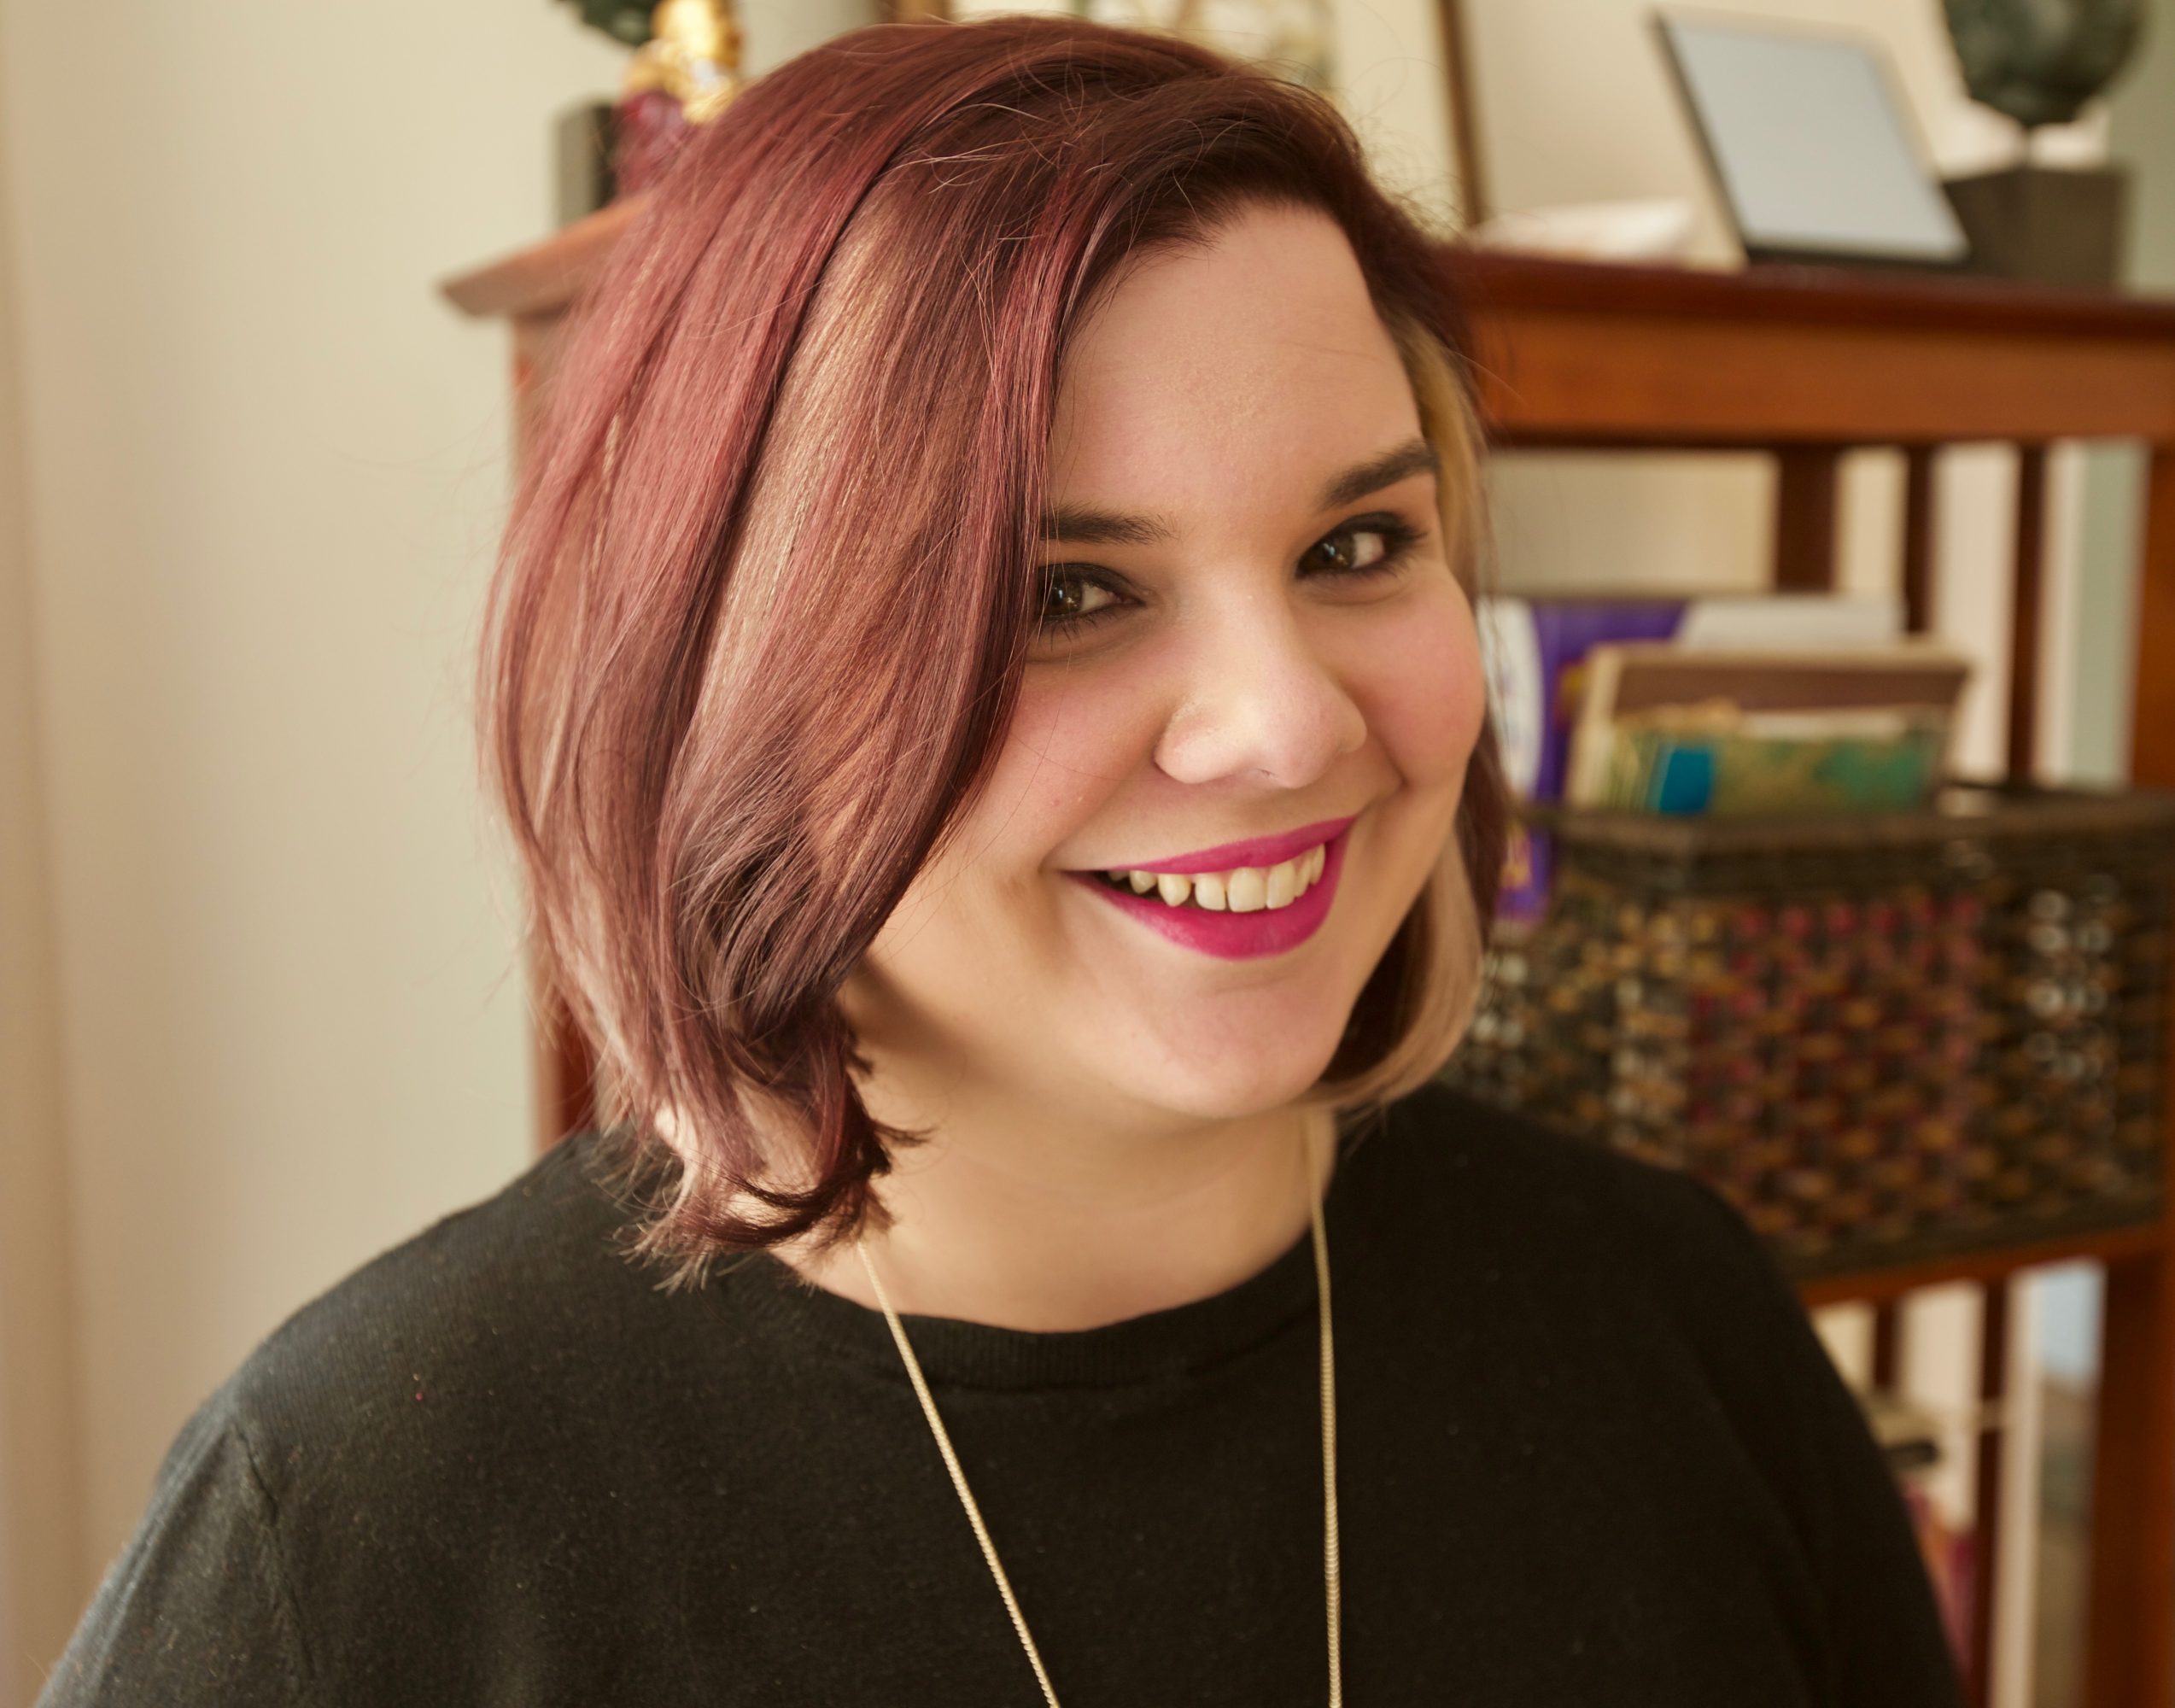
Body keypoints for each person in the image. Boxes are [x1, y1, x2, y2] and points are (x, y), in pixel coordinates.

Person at [38, 16, 1962, 1706]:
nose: (1284, 724)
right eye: (1062, 591)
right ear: (729, 675)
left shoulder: (1673, 1323)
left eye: (1356, 547)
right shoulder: (354, 1529)